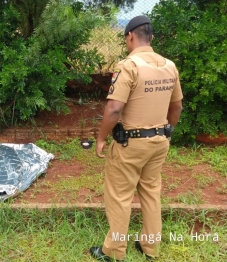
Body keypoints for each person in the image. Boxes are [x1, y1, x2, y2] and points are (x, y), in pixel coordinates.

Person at [89, 15, 183, 261]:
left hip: (130, 143)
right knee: (151, 192)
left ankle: (113, 251)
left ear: (130, 36)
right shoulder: (169, 66)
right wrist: (166, 131)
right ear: (151, 37)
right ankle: (150, 247)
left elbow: (114, 109)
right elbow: (177, 107)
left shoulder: (128, 66)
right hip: (160, 141)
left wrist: (101, 138)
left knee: (120, 196)